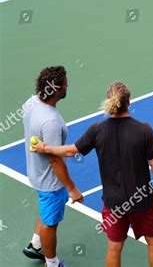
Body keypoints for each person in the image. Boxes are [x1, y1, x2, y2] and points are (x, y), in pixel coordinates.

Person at [32, 81, 153, 267]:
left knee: (114, 248)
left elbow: (71, 151)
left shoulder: (97, 129)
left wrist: (45, 147)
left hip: (113, 203)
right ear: (129, 101)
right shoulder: (144, 130)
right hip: (143, 201)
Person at [22, 66, 84, 267]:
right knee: (50, 224)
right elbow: (55, 160)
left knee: (46, 211)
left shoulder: (31, 103)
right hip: (51, 182)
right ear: (56, 89)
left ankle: (36, 244)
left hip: (35, 171)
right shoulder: (51, 122)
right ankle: (52, 263)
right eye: (65, 83)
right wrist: (72, 188)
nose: (68, 85)